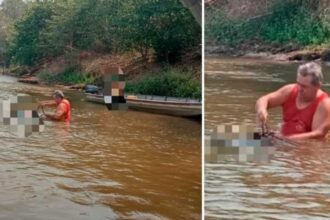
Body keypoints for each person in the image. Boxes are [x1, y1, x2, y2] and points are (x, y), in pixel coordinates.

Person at [255, 62, 330, 140]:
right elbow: (264, 99)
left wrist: (286, 139)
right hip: (282, 140)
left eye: (304, 86)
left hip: (300, 147)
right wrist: (262, 110)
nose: (299, 89)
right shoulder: (289, 90)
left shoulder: (324, 104)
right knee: (244, 142)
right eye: (298, 84)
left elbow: (318, 134)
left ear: (317, 86)